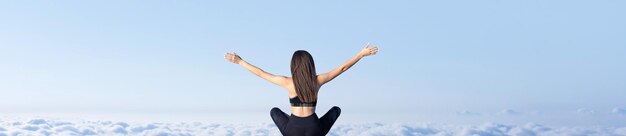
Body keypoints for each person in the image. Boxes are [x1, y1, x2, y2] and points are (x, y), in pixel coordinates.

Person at [224, 43, 379, 136]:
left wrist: (240, 61)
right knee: (336, 110)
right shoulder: (317, 81)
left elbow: (261, 73)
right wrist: (361, 54)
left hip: (291, 132)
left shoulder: (287, 82)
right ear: (310, 65)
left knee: (274, 111)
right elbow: (343, 68)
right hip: (315, 131)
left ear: (294, 66)